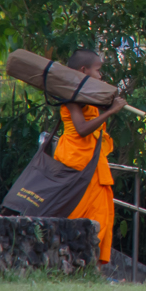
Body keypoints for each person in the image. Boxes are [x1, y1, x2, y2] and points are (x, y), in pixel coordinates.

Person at [54, 47, 126, 264]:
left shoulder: (87, 95)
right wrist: (111, 111)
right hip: (77, 161)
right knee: (76, 213)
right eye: (98, 70)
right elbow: (81, 129)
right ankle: (70, 262)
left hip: (93, 161)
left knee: (101, 215)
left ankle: (91, 266)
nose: (101, 75)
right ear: (83, 70)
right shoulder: (71, 96)